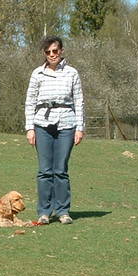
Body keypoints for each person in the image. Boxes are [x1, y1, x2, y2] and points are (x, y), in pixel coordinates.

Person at [24, 36, 85, 225]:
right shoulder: (37, 74)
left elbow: (79, 101)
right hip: (42, 124)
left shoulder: (72, 73)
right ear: (44, 53)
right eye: (48, 52)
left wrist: (80, 128)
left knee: (61, 170)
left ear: (61, 51)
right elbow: (30, 101)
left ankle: (62, 211)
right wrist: (29, 128)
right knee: (44, 170)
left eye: (55, 51)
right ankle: (44, 211)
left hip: (67, 124)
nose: (52, 55)